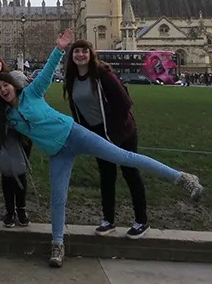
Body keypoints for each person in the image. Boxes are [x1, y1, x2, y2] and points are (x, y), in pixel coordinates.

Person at [0, 29, 204, 268]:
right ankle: (57, 244)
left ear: (14, 86)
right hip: (58, 153)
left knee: (124, 157)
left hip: (75, 134)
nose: (4, 90)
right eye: (0, 89)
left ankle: (182, 177)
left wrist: (60, 49)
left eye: (6, 85)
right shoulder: (7, 118)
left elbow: (48, 71)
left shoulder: (33, 93)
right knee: (58, 198)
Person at [64, 39, 150, 239]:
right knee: (106, 174)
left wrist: (115, 134)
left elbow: (124, 104)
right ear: (72, 56)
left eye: (84, 51)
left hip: (121, 132)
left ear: (91, 53)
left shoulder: (104, 74)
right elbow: (76, 108)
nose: (80, 55)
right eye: (76, 51)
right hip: (97, 133)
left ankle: (141, 220)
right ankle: (108, 220)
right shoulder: (72, 77)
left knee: (130, 172)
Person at [0, 50, 32, 228]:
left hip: (23, 131)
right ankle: (10, 210)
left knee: (20, 169)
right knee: (6, 172)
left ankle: (22, 208)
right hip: (4, 132)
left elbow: (31, 97)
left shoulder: (14, 76)